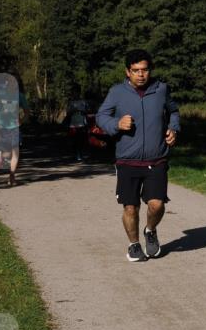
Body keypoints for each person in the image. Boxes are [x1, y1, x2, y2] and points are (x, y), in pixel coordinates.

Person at [96, 50, 180, 262]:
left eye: (145, 70)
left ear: (150, 70)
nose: (141, 75)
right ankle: (134, 245)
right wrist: (116, 124)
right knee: (130, 207)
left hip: (156, 158)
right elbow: (101, 116)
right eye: (136, 71)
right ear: (128, 71)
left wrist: (173, 128)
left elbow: (173, 111)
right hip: (127, 160)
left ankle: (150, 230)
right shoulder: (117, 92)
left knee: (157, 204)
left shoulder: (161, 89)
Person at [0, 74, 29, 187]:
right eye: (9, 81)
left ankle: (12, 176)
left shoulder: (20, 96)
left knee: (15, 152)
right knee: (9, 154)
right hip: (3, 127)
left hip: (14, 127)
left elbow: (27, 112)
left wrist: (21, 121)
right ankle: (1, 157)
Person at [67, 97, 90, 162]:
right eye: (74, 93)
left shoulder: (83, 102)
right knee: (74, 140)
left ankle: (80, 154)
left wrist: (82, 111)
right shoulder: (71, 102)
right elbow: (68, 113)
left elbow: (87, 111)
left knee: (82, 140)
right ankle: (76, 155)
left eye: (76, 92)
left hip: (82, 124)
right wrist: (73, 111)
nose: (75, 94)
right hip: (73, 125)